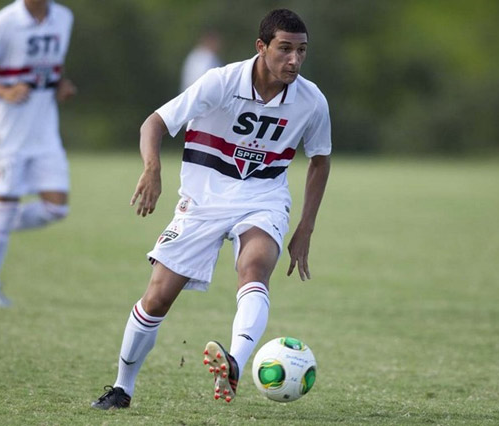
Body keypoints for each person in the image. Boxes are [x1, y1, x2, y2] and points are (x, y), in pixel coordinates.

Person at [91, 8, 331, 409]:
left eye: (302, 51)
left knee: (254, 268)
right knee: (157, 297)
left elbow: (320, 159)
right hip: (203, 200)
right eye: (285, 49)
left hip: (262, 197)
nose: (294, 60)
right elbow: (154, 123)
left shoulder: (311, 100)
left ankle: (234, 363)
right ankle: (122, 388)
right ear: (262, 47)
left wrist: (305, 227)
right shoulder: (220, 81)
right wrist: (152, 167)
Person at [0, 0, 76, 308]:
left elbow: (53, 66)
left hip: (44, 129)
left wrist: (60, 85)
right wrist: (4, 91)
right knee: (5, 206)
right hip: (7, 132)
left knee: (57, 208)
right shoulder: (3, 22)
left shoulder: (63, 17)